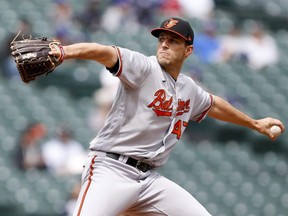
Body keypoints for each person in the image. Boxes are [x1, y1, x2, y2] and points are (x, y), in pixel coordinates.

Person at [49, 17, 285, 216]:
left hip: (149, 179)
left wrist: (254, 124)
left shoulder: (188, 88)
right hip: (110, 169)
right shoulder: (143, 67)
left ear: (188, 50)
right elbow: (105, 52)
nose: (164, 45)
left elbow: (215, 105)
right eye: (162, 39)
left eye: (173, 41)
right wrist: (65, 52)